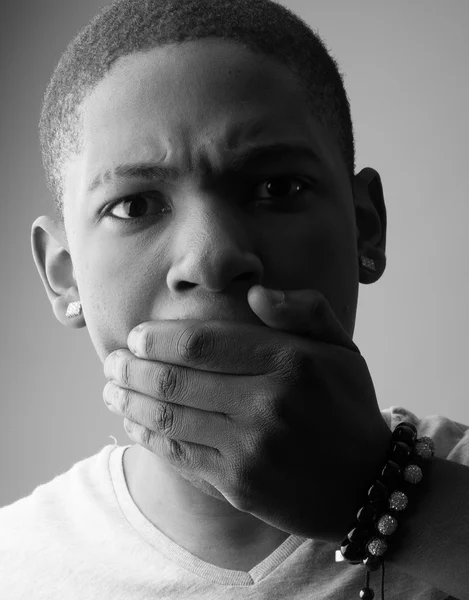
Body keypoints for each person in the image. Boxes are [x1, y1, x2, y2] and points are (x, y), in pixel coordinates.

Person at [1, 0, 468, 598]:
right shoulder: (14, 567)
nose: (213, 258)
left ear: (365, 226)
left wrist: (375, 493)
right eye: (135, 206)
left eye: (276, 188)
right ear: (64, 277)